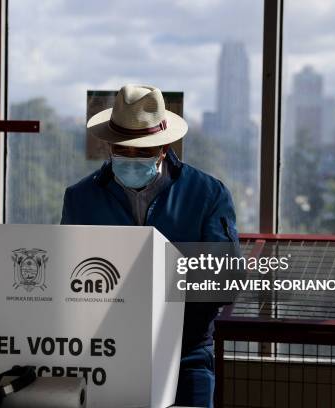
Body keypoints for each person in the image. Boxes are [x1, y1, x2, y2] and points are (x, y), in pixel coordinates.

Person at [61, 84, 239, 407]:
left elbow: (225, 281)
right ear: (109, 145)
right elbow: (66, 279)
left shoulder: (207, 195)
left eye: (142, 150)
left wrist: (154, 274)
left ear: (164, 146)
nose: (131, 158)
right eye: (122, 150)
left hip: (186, 356)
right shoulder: (80, 198)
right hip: (105, 356)